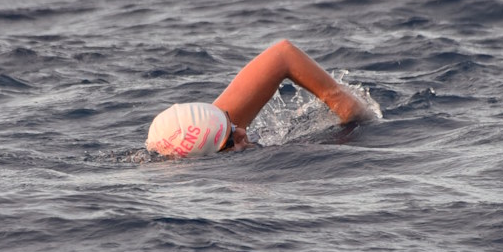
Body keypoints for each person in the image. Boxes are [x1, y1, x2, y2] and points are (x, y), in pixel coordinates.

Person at [145, 39, 375, 157]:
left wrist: (349, 108)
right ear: (208, 158)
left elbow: (282, 54)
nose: (241, 131)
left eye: (229, 120)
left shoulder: (212, 131)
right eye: (231, 141)